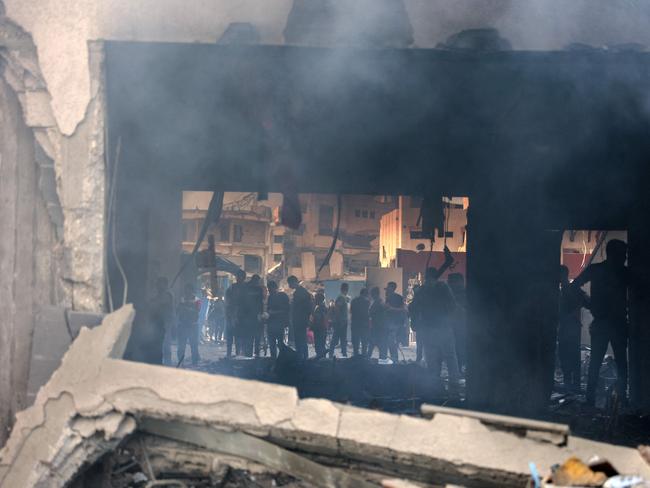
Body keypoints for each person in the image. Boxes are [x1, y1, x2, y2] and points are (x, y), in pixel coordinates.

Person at [572, 239, 630, 405]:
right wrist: (588, 302)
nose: (625, 258)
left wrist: (588, 303)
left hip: (603, 323)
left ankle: (591, 399)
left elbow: (575, 286)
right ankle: (622, 398)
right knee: (620, 363)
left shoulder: (596, 270)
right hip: (616, 324)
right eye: (623, 254)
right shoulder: (623, 273)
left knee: (597, 363)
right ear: (614, 254)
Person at [411, 266, 459, 396]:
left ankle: (434, 386)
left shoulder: (422, 290)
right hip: (444, 328)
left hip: (428, 329)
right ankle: (454, 386)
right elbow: (453, 305)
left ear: (426, 277)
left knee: (432, 358)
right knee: (450, 357)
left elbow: (413, 307)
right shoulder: (443, 288)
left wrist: (415, 324)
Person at [558, 265, 589, 391]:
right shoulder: (563, 290)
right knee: (567, 354)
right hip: (568, 327)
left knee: (569, 354)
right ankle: (570, 383)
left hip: (570, 327)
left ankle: (572, 383)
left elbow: (587, 301)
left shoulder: (570, 289)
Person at [148, 276, 174, 365]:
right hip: (157, 325)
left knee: (166, 347)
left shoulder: (168, 296)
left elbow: (162, 305)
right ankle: (158, 363)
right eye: (158, 284)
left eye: (161, 284)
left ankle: (167, 365)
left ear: (165, 286)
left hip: (165, 325)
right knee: (157, 346)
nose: (159, 286)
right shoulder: (157, 296)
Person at [240, 274, 264, 357]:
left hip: (249, 316)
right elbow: (260, 303)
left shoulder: (247, 287)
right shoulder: (257, 288)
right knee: (254, 335)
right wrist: (260, 314)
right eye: (257, 281)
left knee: (250, 335)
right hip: (252, 316)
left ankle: (250, 353)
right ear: (255, 280)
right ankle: (254, 352)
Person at [289, 275, 313, 360]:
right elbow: (309, 307)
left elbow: (298, 308)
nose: (289, 285)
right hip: (302, 320)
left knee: (299, 341)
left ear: (294, 282)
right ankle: (304, 357)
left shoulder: (299, 293)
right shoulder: (303, 292)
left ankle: (301, 358)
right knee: (302, 340)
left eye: (289, 283)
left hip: (299, 320)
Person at [447, 273, 467, 373]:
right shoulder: (450, 294)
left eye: (450, 282)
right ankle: (458, 369)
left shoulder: (464, 293)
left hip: (462, 326)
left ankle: (459, 369)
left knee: (459, 348)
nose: (449, 284)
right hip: (453, 326)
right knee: (456, 349)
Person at [176, 283, 200, 365]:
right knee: (181, 346)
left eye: (189, 289)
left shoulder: (197, 300)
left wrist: (186, 309)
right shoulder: (182, 299)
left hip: (193, 325)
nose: (187, 291)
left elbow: (197, 311)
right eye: (186, 289)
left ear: (192, 290)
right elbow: (178, 310)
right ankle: (180, 361)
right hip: (183, 325)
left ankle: (195, 362)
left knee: (194, 345)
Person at [225, 270, 246, 358]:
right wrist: (229, 314)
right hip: (231, 316)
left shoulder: (246, 288)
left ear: (243, 278)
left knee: (239, 338)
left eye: (239, 276)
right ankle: (229, 354)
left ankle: (238, 355)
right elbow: (227, 302)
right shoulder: (232, 288)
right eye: (237, 276)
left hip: (242, 318)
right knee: (230, 337)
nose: (238, 278)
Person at [267, 280, 290, 359]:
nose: (269, 290)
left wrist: (274, 312)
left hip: (279, 324)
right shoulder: (270, 297)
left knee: (280, 343)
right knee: (272, 344)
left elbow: (286, 309)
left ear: (275, 288)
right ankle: (273, 359)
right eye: (268, 289)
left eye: (270, 288)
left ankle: (282, 358)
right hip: (271, 324)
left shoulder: (283, 296)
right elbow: (269, 309)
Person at [384, 282, 405, 361]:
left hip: (395, 324)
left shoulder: (398, 297)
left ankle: (395, 360)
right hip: (391, 323)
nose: (386, 291)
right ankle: (394, 359)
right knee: (391, 343)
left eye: (387, 288)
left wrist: (392, 309)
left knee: (392, 343)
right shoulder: (388, 297)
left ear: (391, 288)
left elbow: (403, 309)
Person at [329, 283, 350, 357]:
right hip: (340, 322)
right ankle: (331, 353)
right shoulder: (341, 297)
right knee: (336, 338)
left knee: (343, 338)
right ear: (346, 289)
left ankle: (344, 353)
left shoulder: (343, 297)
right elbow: (337, 308)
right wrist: (340, 320)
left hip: (342, 321)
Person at [368, 287, 389, 360]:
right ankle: (381, 359)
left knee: (373, 344)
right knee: (379, 345)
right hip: (379, 327)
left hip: (377, 327)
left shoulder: (378, 302)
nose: (371, 295)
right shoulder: (380, 301)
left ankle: (369, 358)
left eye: (371, 294)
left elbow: (370, 313)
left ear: (375, 294)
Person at [350, 288, 370, 357]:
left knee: (356, 344)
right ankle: (364, 359)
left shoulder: (354, 301)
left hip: (355, 324)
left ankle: (356, 358)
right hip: (364, 325)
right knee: (364, 344)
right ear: (366, 294)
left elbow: (351, 311)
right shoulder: (367, 302)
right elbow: (367, 314)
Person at [311, 292, 329, 358]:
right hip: (323, 329)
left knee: (319, 346)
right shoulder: (324, 307)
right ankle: (323, 359)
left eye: (315, 299)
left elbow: (317, 320)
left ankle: (321, 360)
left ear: (319, 299)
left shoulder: (319, 308)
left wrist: (312, 325)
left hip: (319, 329)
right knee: (321, 345)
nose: (314, 300)